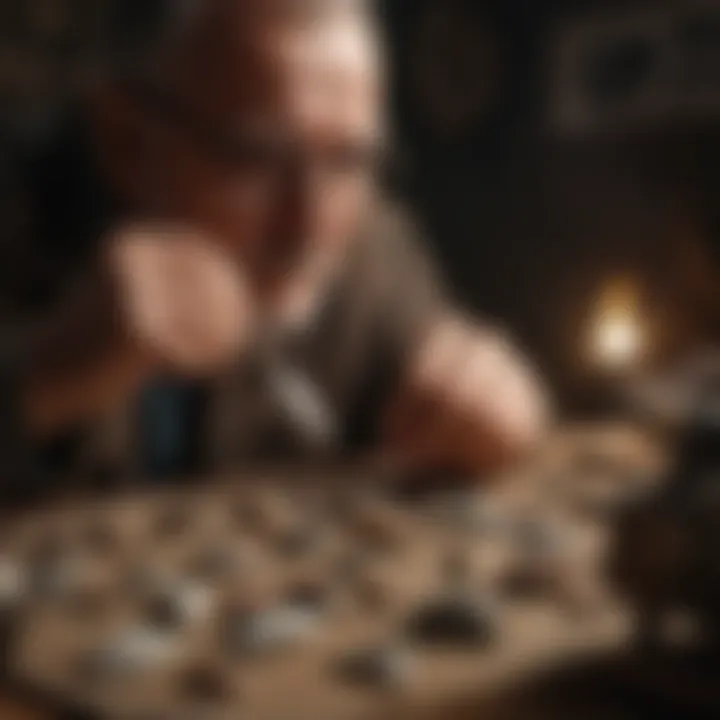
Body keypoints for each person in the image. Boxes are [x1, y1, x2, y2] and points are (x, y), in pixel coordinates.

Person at [4, 0, 549, 484]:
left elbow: (461, 392)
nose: (309, 224)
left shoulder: (368, 250)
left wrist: (490, 403)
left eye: (346, 158)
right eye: (256, 158)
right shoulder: (23, 224)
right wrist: (43, 376)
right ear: (123, 138)